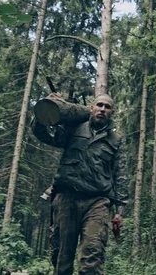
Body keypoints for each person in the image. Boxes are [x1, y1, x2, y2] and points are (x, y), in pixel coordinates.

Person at [32, 93, 127, 275]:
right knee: (62, 258)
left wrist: (120, 211)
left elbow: (120, 174)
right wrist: (46, 109)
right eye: (99, 105)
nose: (102, 109)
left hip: (97, 202)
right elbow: (44, 135)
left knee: (93, 254)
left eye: (107, 107)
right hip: (67, 198)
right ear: (91, 108)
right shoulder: (73, 128)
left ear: (112, 112)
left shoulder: (115, 139)